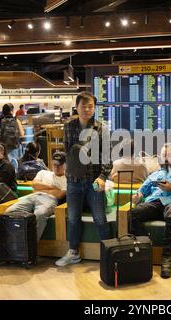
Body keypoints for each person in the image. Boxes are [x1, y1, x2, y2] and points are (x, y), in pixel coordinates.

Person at [55, 92, 112, 267]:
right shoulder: (69, 126)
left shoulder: (101, 128)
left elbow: (107, 158)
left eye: (90, 106)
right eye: (83, 106)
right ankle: (73, 253)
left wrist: (103, 177)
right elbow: (68, 152)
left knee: (100, 219)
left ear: (94, 108)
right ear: (77, 107)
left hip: (94, 181)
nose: (87, 109)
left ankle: (109, 254)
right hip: (73, 180)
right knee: (72, 219)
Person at [129, 143, 171, 278]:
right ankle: (144, 252)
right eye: (163, 155)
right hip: (154, 203)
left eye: (169, 155)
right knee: (134, 213)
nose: (166, 158)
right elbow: (141, 192)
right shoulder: (154, 175)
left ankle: (166, 259)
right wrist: (137, 197)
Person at [5, 151, 66, 241]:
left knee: (39, 214)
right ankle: (13, 242)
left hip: (50, 200)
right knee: (9, 211)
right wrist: (52, 187)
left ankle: (31, 246)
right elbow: (34, 186)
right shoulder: (43, 172)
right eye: (54, 164)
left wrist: (41, 188)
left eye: (59, 165)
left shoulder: (67, 178)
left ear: (65, 165)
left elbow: (60, 195)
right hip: (33, 196)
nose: (56, 167)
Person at [0, 103, 25, 173]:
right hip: (14, 147)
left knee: (1, 165)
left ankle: (2, 178)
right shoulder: (16, 120)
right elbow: (22, 134)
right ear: (11, 111)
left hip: (2, 148)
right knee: (14, 165)